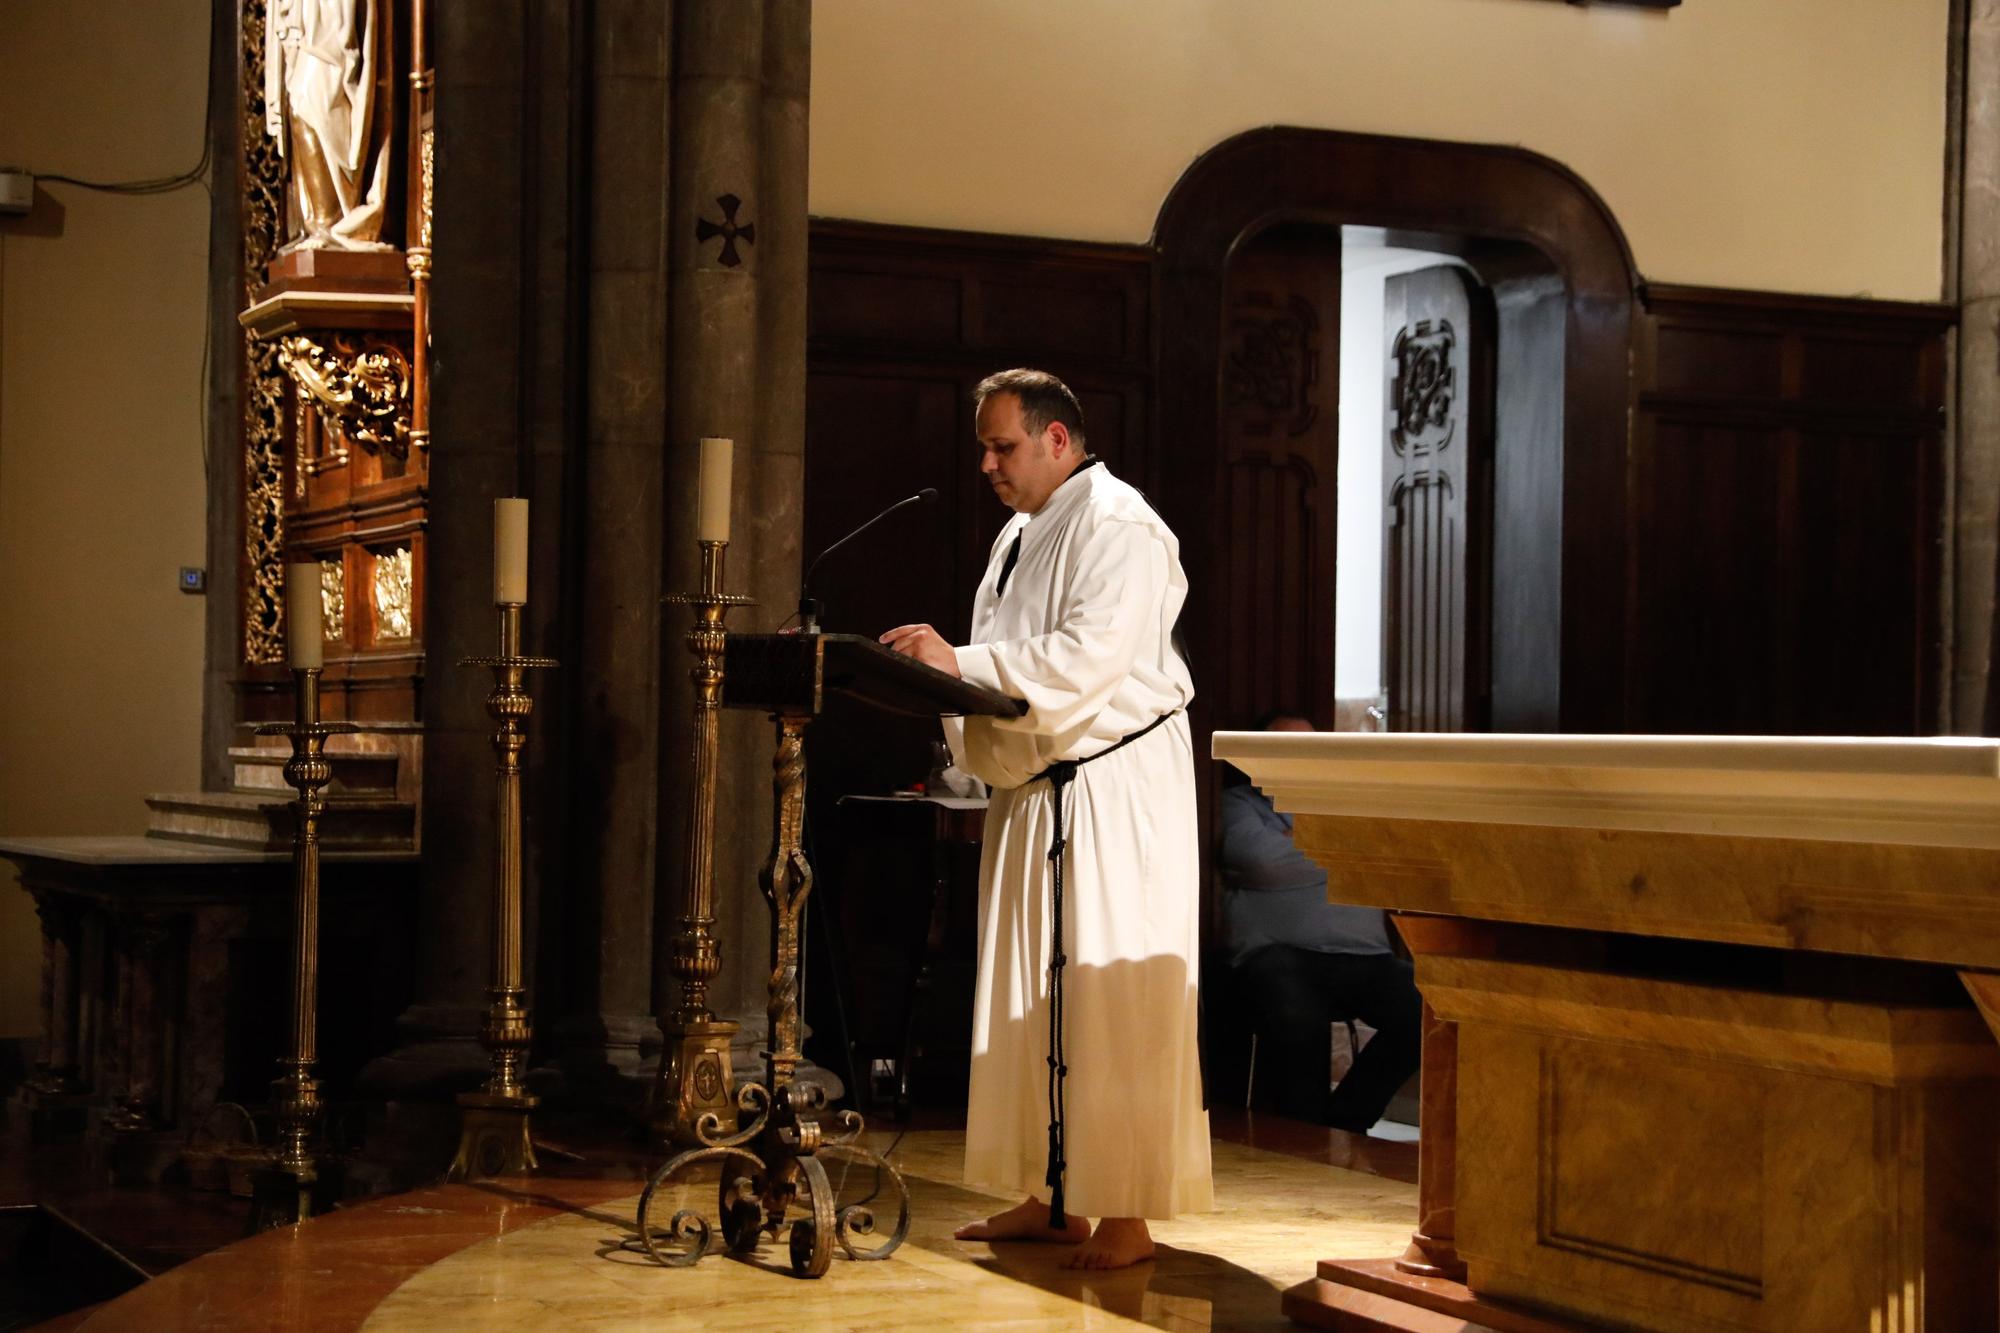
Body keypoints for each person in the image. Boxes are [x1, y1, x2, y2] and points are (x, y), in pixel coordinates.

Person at [880, 368, 1211, 1270]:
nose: (988, 463)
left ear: (1058, 438)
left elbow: (1086, 659)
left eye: (1003, 445)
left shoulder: (1122, 527)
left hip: (1110, 788)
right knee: (1034, 994)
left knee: (1109, 993)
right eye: (985, 447)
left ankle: (1127, 1213)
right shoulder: (1023, 532)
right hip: (1040, 783)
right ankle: (1054, 1195)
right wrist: (949, 670)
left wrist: (964, 659)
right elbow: (1019, 659)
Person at [1217, 714, 1422, 1131]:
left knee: (1428, 1007)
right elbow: (1262, 863)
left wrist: (1307, 848)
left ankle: (1346, 1121)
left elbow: (1387, 855)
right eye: (1284, 746)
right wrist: (1346, 853)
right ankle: (1301, 1132)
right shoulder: (1239, 803)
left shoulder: (1346, 804)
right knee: (1293, 1007)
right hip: (1278, 954)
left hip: (1366, 957)